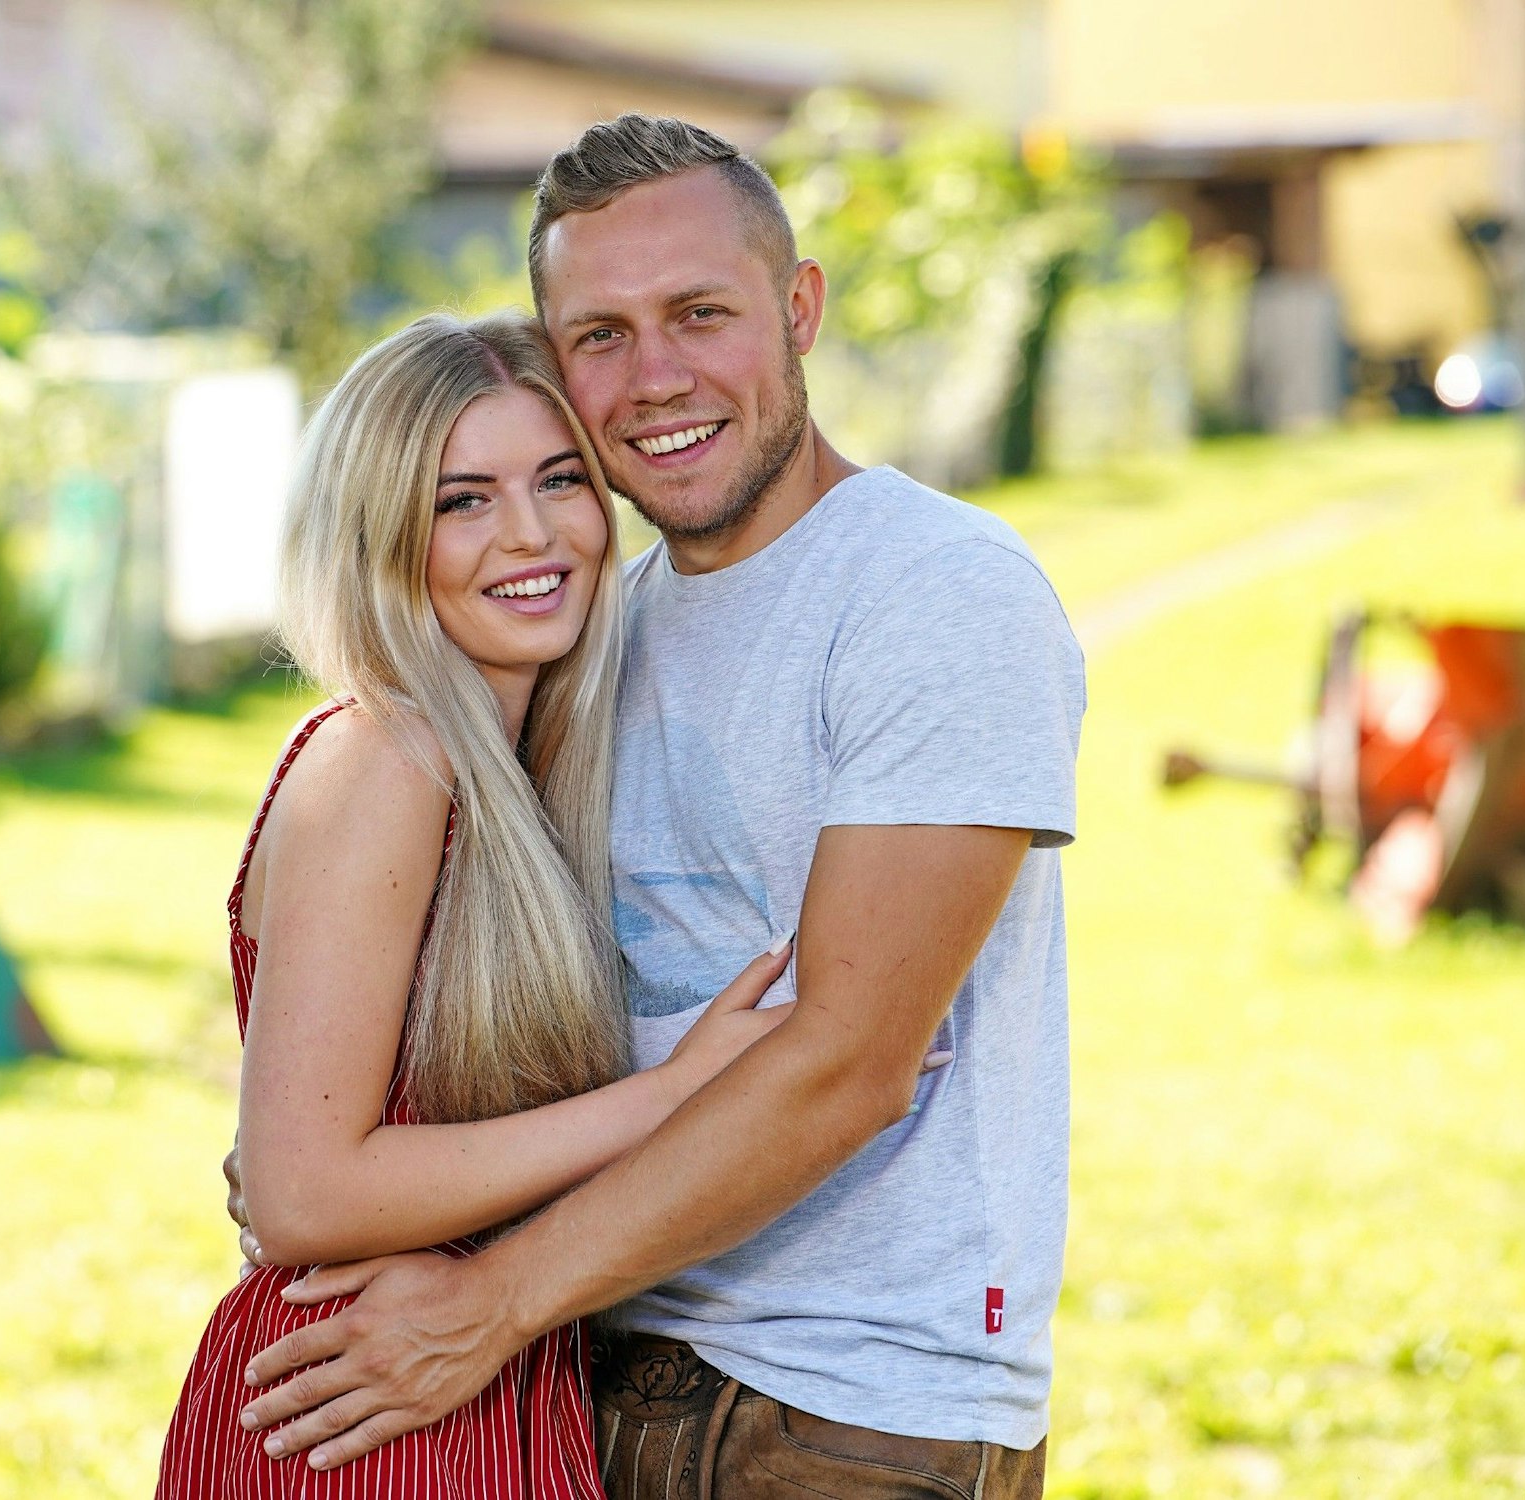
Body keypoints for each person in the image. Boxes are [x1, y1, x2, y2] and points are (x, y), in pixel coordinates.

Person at [229, 115, 1086, 1499]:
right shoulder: (585, 637)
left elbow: (848, 1065)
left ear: (798, 310)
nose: (656, 376)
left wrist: (488, 1297)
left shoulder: (933, 593)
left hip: (834, 1410)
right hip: (565, 1380)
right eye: (601, 335)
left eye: (700, 313)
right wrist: (319, 1167)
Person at [154, 310, 800, 1499]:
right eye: (463, 500)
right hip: (363, 1408)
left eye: (560, 479)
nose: (531, 533)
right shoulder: (387, 758)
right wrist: (670, 1096)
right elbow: (299, 1193)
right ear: (380, 536)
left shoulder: (515, 771)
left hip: (474, 1372)